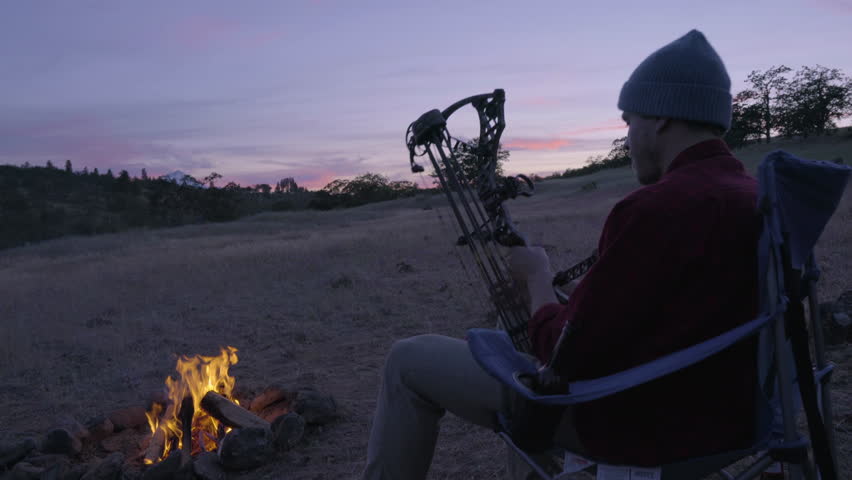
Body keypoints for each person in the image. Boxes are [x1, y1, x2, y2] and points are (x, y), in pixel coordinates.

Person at [362, 29, 759, 479]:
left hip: (640, 424)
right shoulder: (749, 193)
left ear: (663, 117)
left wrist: (537, 277)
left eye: (629, 122)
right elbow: (679, 309)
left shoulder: (659, 207)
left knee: (407, 360)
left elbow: (562, 353)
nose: (627, 138)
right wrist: (578, 295)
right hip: (725, 419)